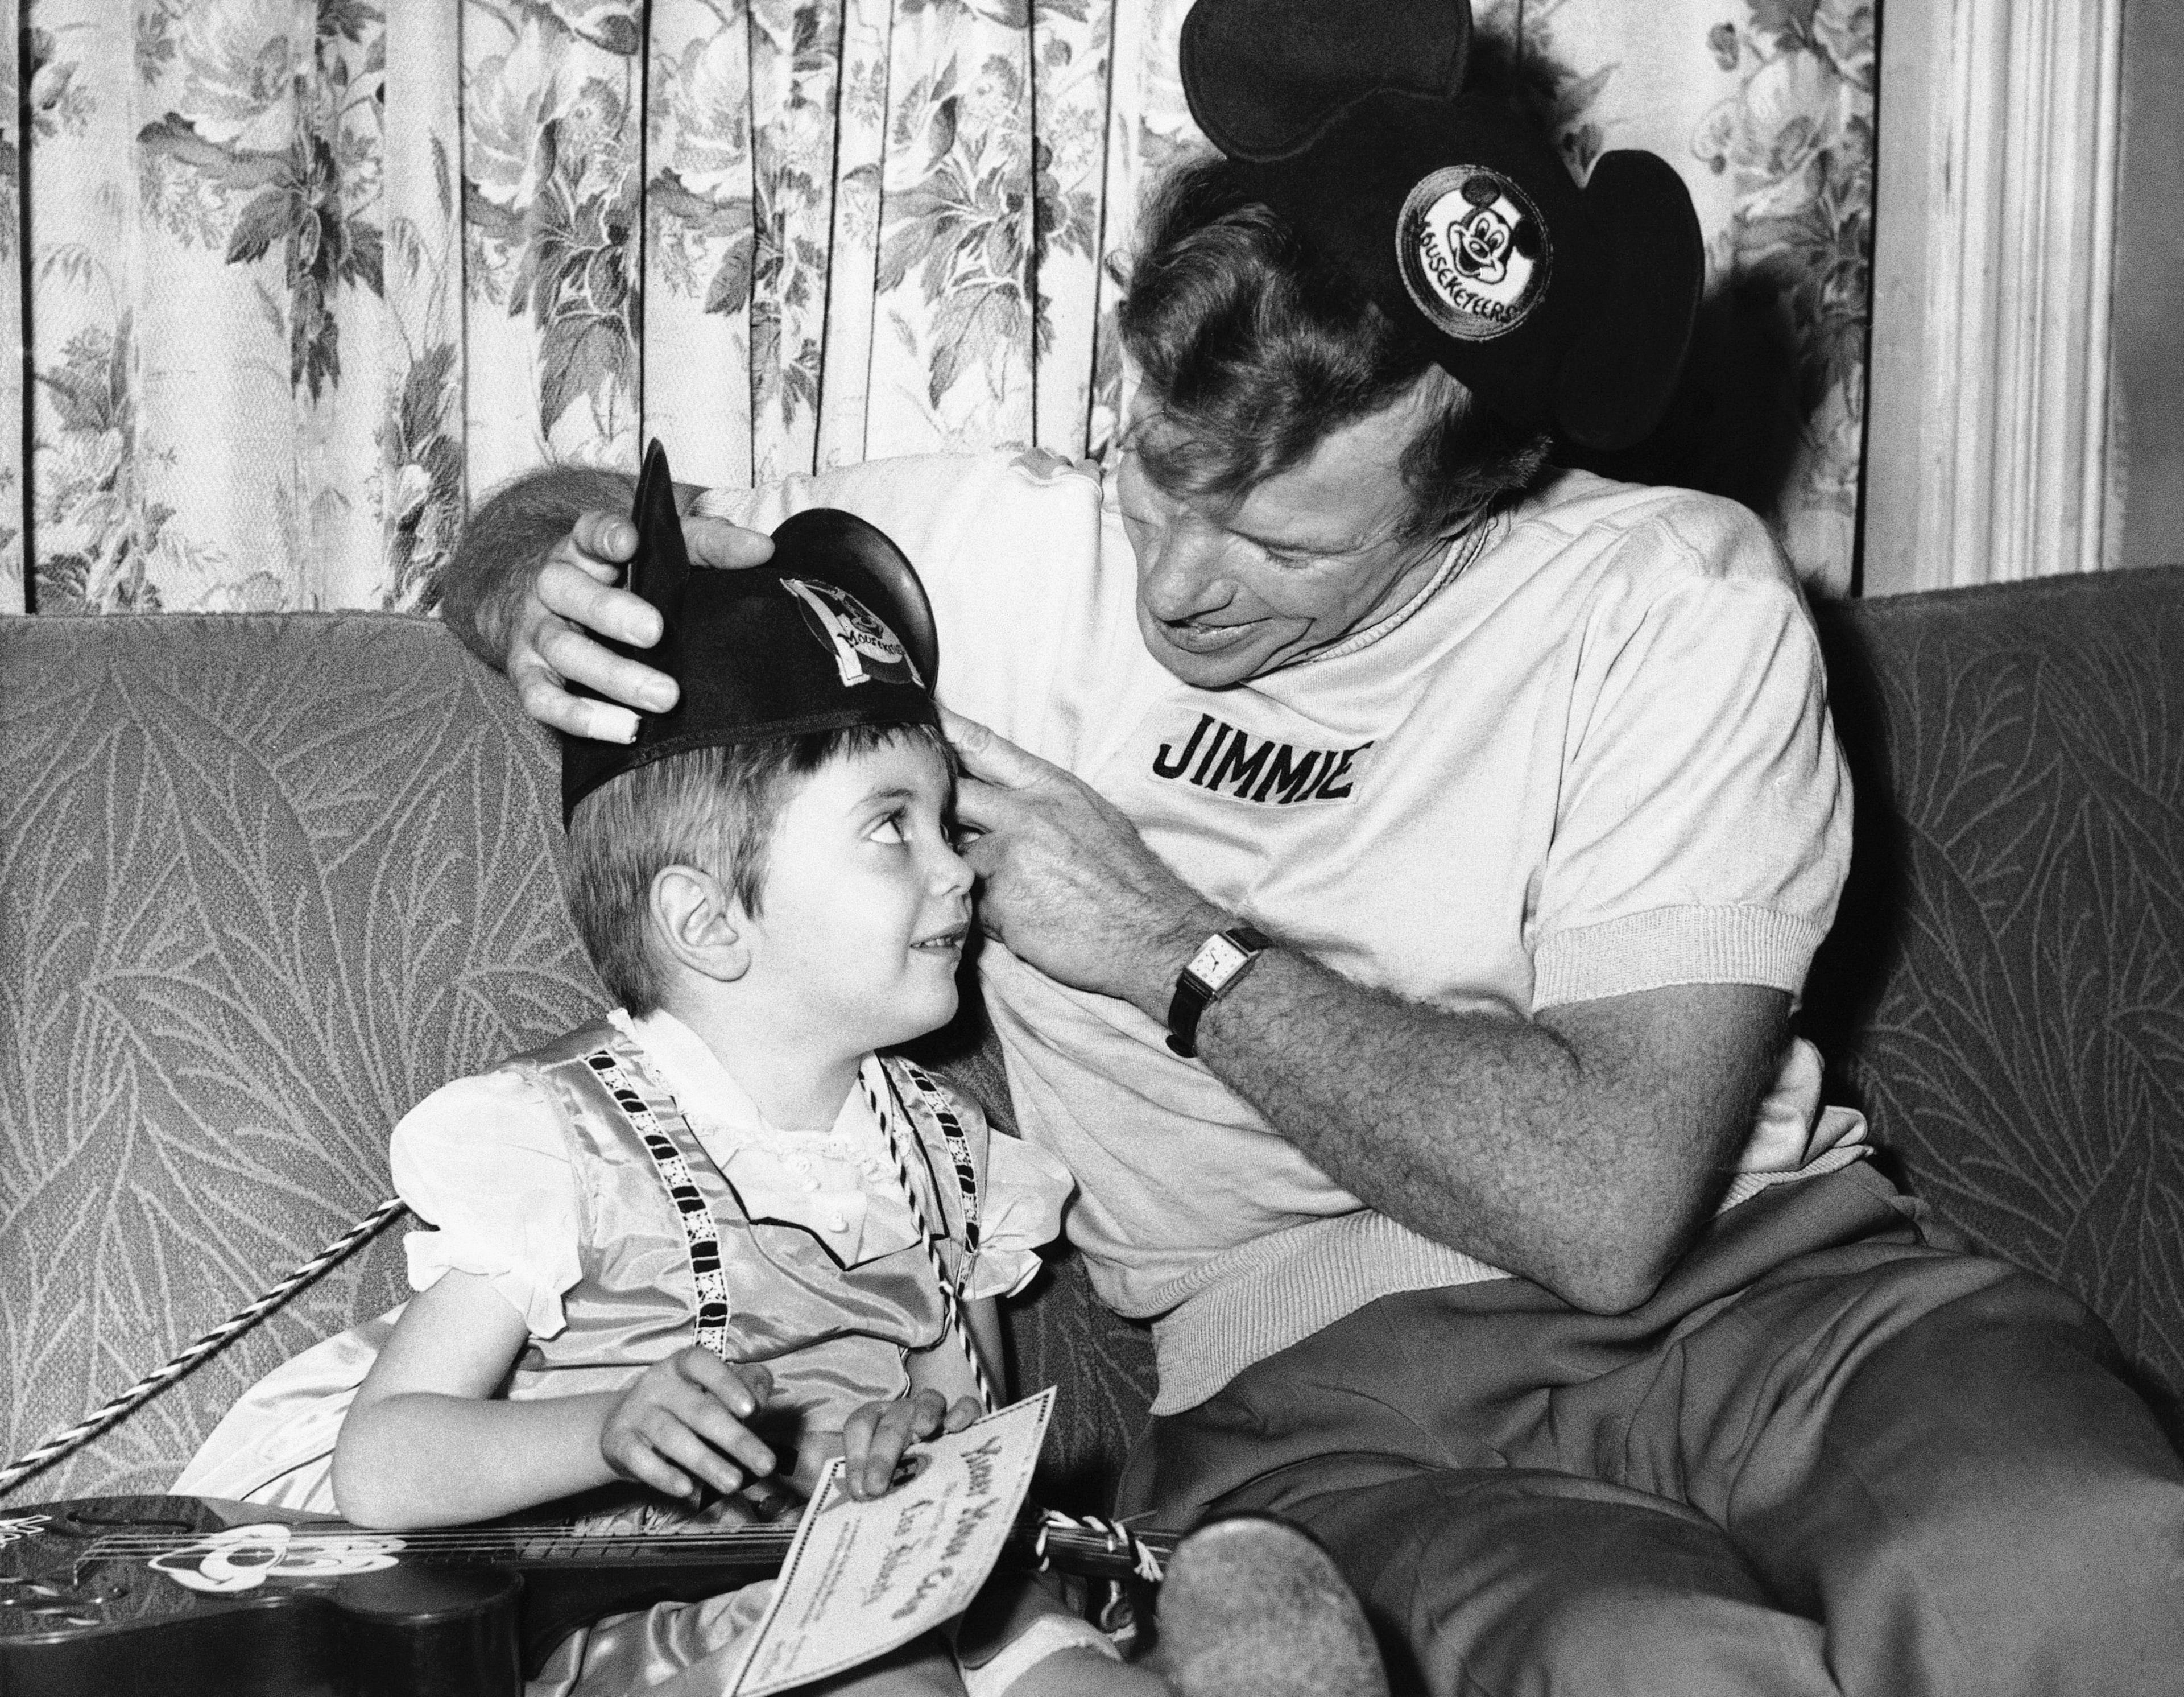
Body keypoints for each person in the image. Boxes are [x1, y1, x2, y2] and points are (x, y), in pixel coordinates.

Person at [436, 3, 2184, 1692]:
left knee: (2080, 1555)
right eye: (1155, 476)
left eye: (1279, 545)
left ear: (1473, 499)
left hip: (1778, 1287)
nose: (1179, 584)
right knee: (1645, 1661)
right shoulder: (988, 554)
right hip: (1319, 1401)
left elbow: (1609, 1204)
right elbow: (557, 525)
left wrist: (1171, 952)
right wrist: (533, 579)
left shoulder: (1670, 602)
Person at [175, 471, 1389, 1697]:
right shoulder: (556, 1148)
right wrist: (601, 1430)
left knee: (1068, 1679)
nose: (961, 872)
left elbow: (962, 1429)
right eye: (891, 829)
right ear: (708, 921)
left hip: (899, 1593)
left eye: (945, 822)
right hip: (662, 1630)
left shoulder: (953, 1160)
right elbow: (386, 1464)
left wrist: (905, 1450)